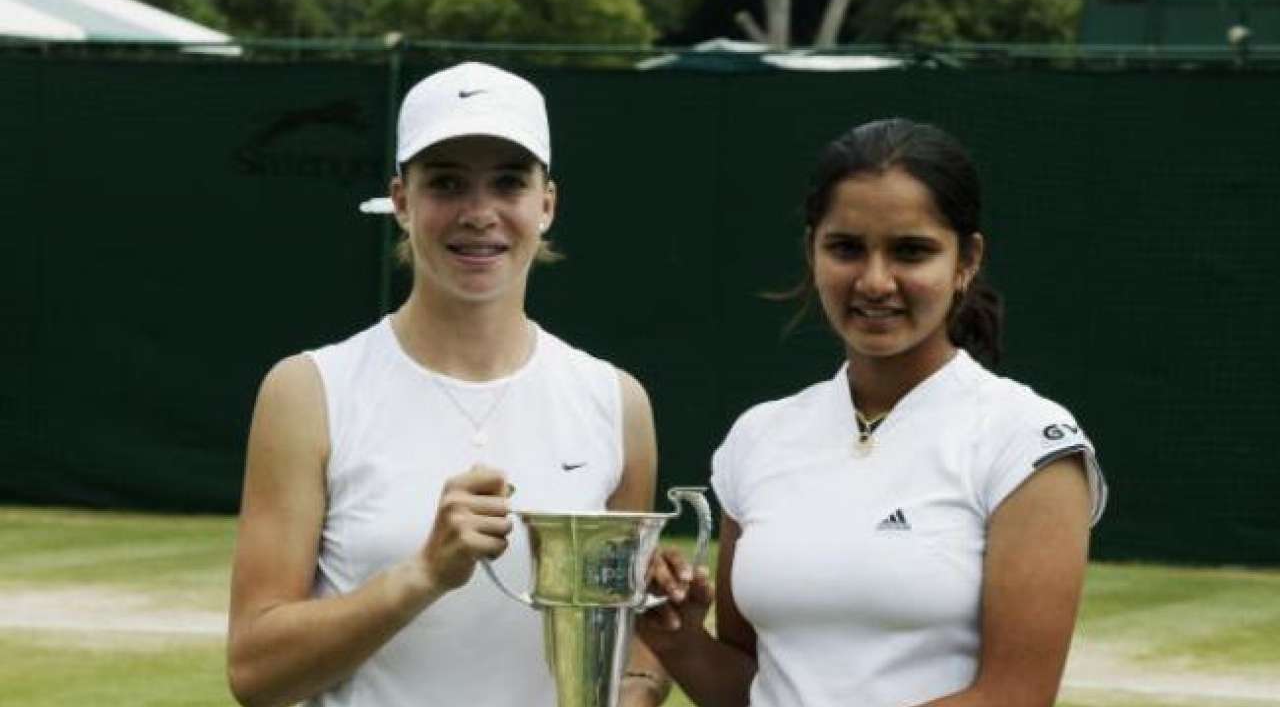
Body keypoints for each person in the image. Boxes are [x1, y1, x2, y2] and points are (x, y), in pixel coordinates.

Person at [227, 62, 670, 707]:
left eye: (509, 183)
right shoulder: (309, 391)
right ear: (402, 202)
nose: (479, 213)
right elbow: (256, 672)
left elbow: (631, 642)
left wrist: (638, 689)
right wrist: (424, 574)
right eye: (447, 184)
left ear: (545, 204)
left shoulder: (615, 402)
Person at [639, 118, 1108, 707]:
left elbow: (1013, 697)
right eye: (847, 248)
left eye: (911, 251)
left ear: (967, 260)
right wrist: (679, 639)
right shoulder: (758, 437)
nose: (876, 281)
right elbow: (750, 689)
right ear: (812, 249)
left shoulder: (1026, 442)